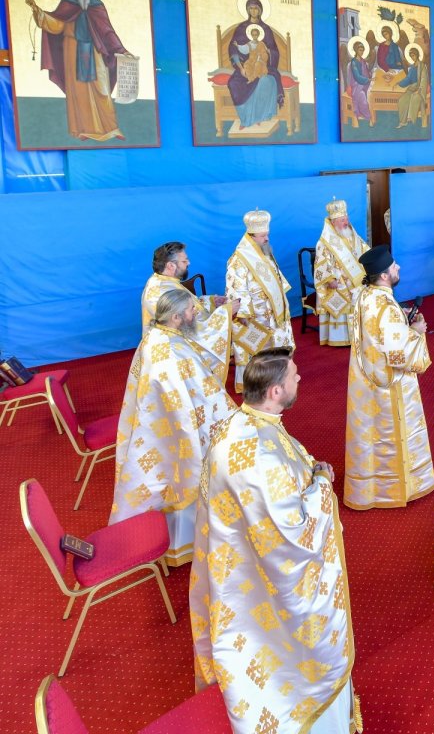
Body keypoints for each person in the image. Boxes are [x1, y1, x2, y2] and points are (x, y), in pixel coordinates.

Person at [191, 347, 359, 733]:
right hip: (264, 582)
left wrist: (309, 473)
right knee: (292, 650)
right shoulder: (259, 458)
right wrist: (321, 484)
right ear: (275, 391)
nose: (300, 379)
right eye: (294, 376)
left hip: (238, 561)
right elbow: (295, 535)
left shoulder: (242, 423)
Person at [111, 289, 236, 565]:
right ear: (177, 316)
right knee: (185, 474)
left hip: (168, 424)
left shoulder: (162, 337)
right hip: (176, 430)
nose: (195, 314)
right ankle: (183, 543)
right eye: (192, 310)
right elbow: (178, 402)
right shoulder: (164, 350)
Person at [345, 245, 432, 510]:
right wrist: (416, 332)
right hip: (389, 385)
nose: (398, 268)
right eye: (394, 266)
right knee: (391, 433)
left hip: (364, 378)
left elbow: (373, 331)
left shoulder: (364, 295)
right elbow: (400, 354)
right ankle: (397, 487)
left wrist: (401, 322)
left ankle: (369, 487)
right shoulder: (387, 307)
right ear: (384, 276)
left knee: (370, 434)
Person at [25, 0, 131, 142]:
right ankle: (82, 129)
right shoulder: (67, 3)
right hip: (72, 48)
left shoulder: (97, 5)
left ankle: (112, 128)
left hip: (95, 51)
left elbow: (107, 31)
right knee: (78, 92)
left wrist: (121, 49)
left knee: (102, 89)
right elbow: (58, 24)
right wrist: (38, 11)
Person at [141, 241, 236, 382]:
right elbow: (190, 327)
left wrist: (211, 302)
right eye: (184, 260)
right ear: (170, 265)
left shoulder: (166, 281)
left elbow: (189, 306)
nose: (189, 263)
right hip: (175, 350)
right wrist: (225, 313)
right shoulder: (160, 291)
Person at [227, 210, 294, 393]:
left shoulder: (264, 252)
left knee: (276, 345)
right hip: (254, 315)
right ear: (251, 236)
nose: (266, 239)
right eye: (263, 235)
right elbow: (236, 287)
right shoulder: (238, 260)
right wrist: (242, 313)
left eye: (267, 235)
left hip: (273, 311)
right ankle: (256, 383)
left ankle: (276, 377)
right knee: (257, 349)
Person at [314, 199, 368, 347]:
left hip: (356, 279)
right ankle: (340, 338)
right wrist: (330, 279)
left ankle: (359, 333)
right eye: (342, 220)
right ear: (333, 223)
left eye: (346, 219)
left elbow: (364, 250)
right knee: (341, 295)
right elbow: (321, 263)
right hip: (338, 281)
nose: (346, 222)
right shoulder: (324, 243)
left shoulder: (352, 236)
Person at [226, 0, 283, 131]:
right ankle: (245, 119)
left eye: (256, 8)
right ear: (247, 10)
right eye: (251, 8)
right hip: (244, 67)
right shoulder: (241, 29)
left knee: (267, 81)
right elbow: (235, 49)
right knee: (234, 83)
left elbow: (274, 50)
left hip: (263, 66)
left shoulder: (266, 30)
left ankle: (258, 117)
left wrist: (267, 53)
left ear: (261, 10)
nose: (254, 11)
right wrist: (240, 68)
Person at [345, 39, 372, 122]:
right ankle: (365, 115)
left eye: (363, 50)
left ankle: (364, 114)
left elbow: (367, 73)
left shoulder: (363, 61)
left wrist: (370, 77)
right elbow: (357, 76)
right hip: (355, 85)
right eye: (360, 50)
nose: (362, 52)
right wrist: (368, 79)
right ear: (356, 50)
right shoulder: (353, 63)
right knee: (362, 95)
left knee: (371, 92)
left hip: (364, 83)